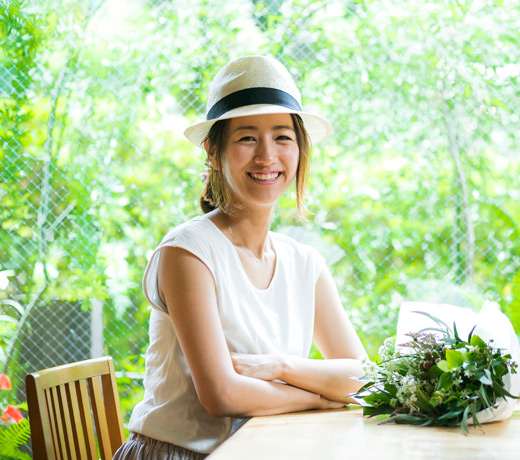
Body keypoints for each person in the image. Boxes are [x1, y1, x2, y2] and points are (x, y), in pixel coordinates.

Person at [114, 56, 368, 459]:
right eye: (247, 138)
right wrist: (320, 398)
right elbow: (222, 395)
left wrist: (281, 367)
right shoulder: (188, 251)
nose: (267, 156)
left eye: (283, 137)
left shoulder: (304, 263)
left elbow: (364, 378)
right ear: (213, 153)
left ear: (300, 150)